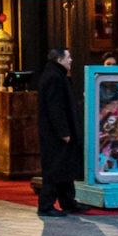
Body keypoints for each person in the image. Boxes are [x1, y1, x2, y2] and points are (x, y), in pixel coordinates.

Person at [36, 46, 85, 217]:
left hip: (60, 133)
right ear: (59, 60)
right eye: (68, 57)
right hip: (56, 135)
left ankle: (68, 202)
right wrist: (63, 132)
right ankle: (46, 204)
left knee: (65, 167)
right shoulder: (53, 78)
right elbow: (55, 107)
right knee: (55, 169)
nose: (71, 60)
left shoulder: (57, 75)